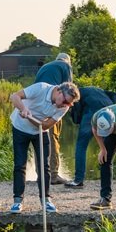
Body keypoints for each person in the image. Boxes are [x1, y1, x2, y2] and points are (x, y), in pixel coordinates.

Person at [8, 81, 80, 213]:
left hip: (40, 131)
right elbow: (14, 97)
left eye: (68, 104)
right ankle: (17, 201)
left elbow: (46, 125)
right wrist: (23, 109)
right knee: (20, 164)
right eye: (64, 101)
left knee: (44, 166)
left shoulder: (64, 107)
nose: (65, 105)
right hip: (20, 128)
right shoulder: (40, 88)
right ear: (58, 91)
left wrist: (30, 117)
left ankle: (46, 200)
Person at [64, 86, 116, 189]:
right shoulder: (99, 90)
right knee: (108, 146)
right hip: (110, 111)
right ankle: (107, 179)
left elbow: (77, 115)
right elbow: (113, 95)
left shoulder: (77, 95)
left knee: (81, 145)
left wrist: (77, 119)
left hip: (92, 112)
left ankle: (78, 180)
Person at [34, 53, 73, 185]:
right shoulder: (66, 66)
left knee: (39, 138)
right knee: (52, 138)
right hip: (54, 104)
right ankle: (54, 175)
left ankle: (41, 174)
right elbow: (69, 88)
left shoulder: (46, 66)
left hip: (37, 105)